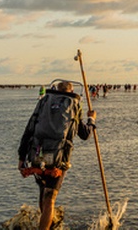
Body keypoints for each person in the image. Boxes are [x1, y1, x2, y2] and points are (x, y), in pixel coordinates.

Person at [18, 81, 96, 230]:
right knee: (50, 198)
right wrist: (91, 120)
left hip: (37, 154)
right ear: (72, 91)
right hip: (58, 159)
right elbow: (84, 134)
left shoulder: (44, 102)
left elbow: (29, 130)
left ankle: (47, 224)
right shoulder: (74, 105)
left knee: (43, 193)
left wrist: (21, 158)